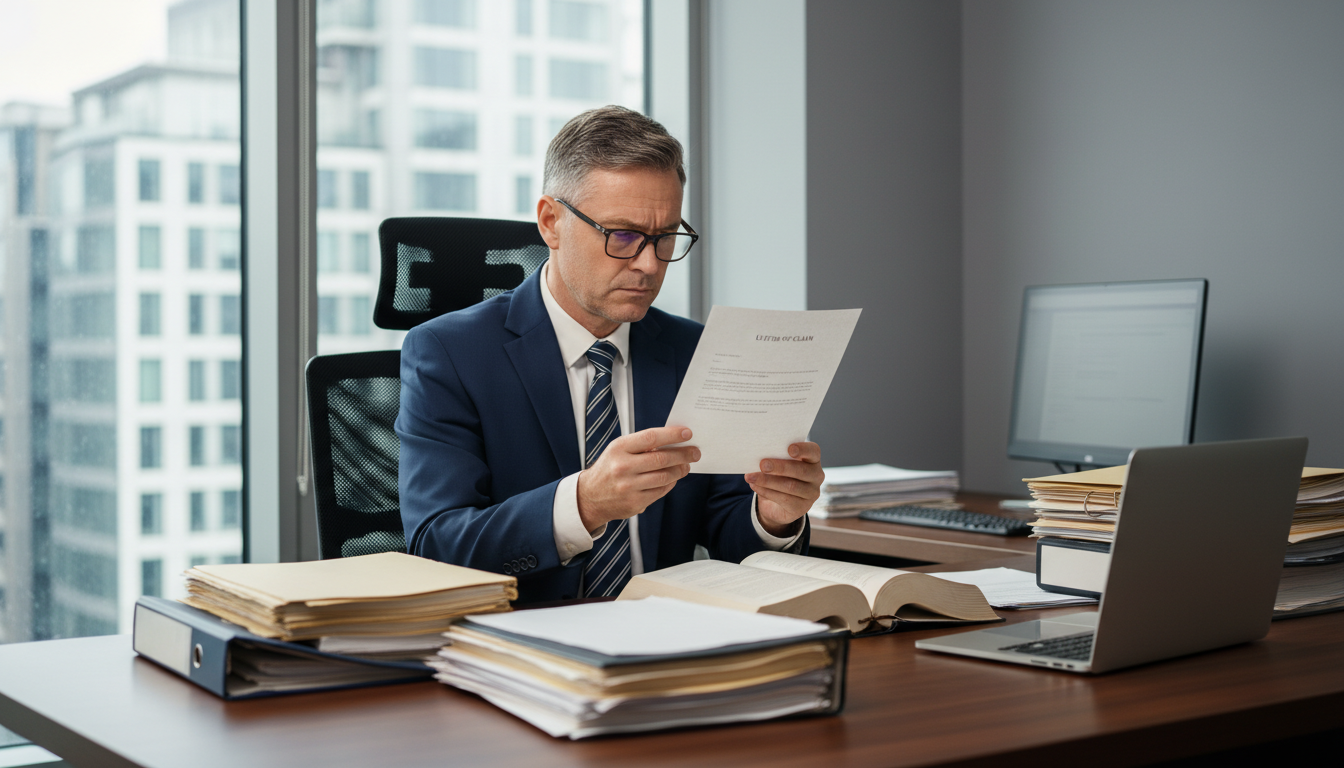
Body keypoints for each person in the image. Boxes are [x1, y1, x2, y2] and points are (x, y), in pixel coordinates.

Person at [397, 106, 825, 603]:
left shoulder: (695, 352)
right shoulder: (449, 353)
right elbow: (436, 547)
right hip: (522, 645)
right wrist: (583, 504)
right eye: (623, 236)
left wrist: (773, 516)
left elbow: (729, 536)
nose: (649, 264)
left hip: (668, 642)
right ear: (551, 222)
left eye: (665, 237)